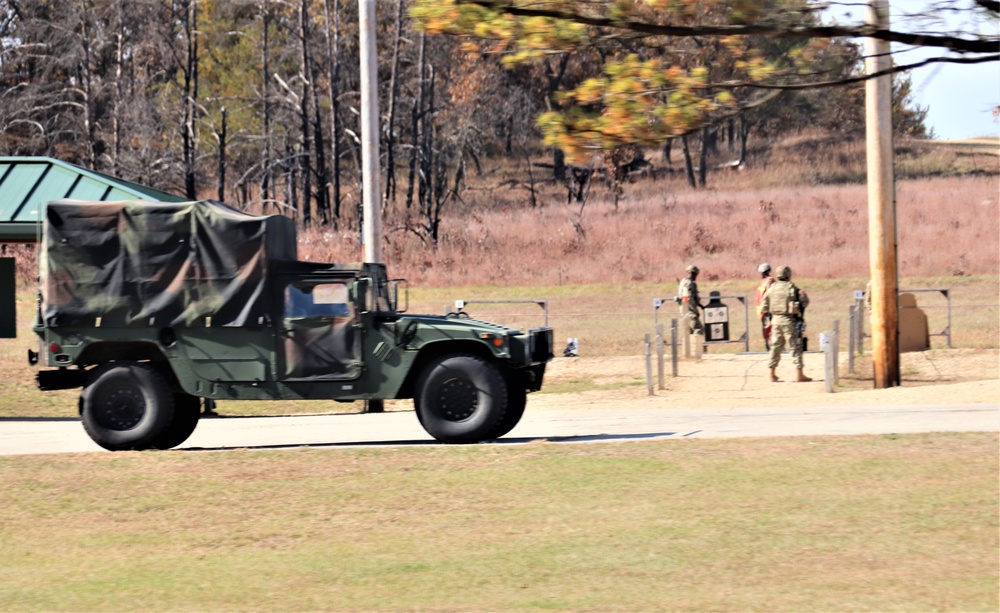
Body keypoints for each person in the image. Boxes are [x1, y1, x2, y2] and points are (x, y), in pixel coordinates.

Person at [761, 265, 812, 383]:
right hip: (789, 321)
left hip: (775, 321)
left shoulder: (771, 288)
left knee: (775, 347)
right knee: (795, 346)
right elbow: (805, 301)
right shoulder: (793, 288)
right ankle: (799, 374)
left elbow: (764, 306)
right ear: (788, 275)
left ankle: (771, 374)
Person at [675, 265, 705, 336]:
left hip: (683, 310)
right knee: (699, 329)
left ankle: (689, 346)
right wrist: (694, 311)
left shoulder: (683, 281)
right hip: (689, 310)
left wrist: (700, 305)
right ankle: (696, 346)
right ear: (694, 274)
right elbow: (688, 298)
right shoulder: (690, 283)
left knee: (689, 331)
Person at [754, 263, 776, 350]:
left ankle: (771, 347)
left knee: (768, 329)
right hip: (766, 310)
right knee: (769, 329)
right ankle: (771, 347)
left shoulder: (766, 282)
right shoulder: (768, 281)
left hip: (765, 310)